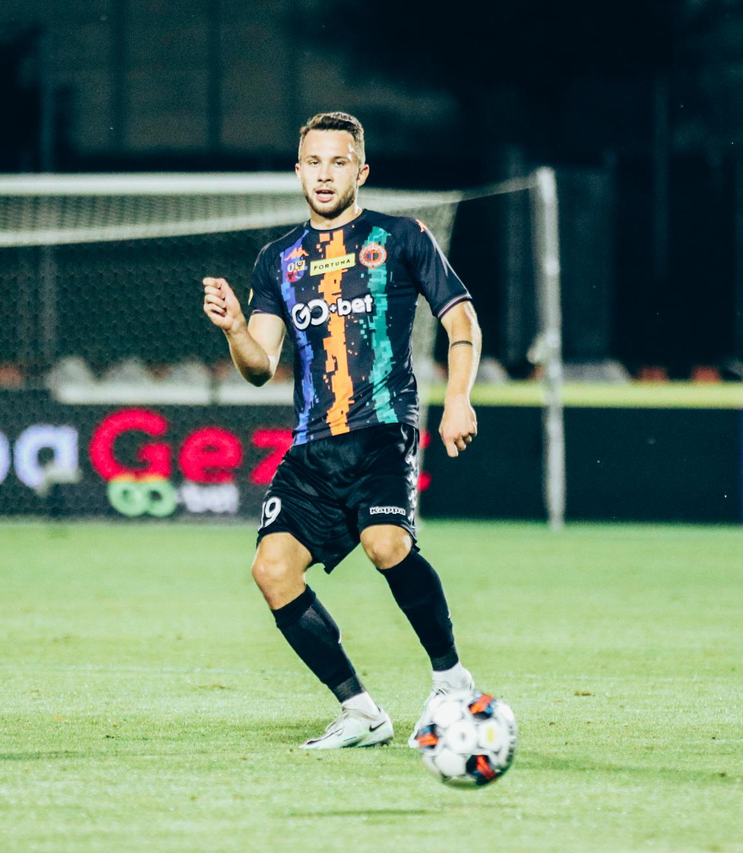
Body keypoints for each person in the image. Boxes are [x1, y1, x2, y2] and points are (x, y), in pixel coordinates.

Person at [201, 111, 481, 749]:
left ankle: (451, 681)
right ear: (298, 171)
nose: (325, 174)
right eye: (314, 162)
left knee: (386, 543)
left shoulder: (402, 236)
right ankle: (361, 712)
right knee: (272, 570)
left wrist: (459, 398)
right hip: (311, 449)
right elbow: (259, 367)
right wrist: (236, 328)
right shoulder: (277, 260)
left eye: (338, 162)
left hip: (382, 430)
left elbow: (461, 318)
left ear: (362, 171)